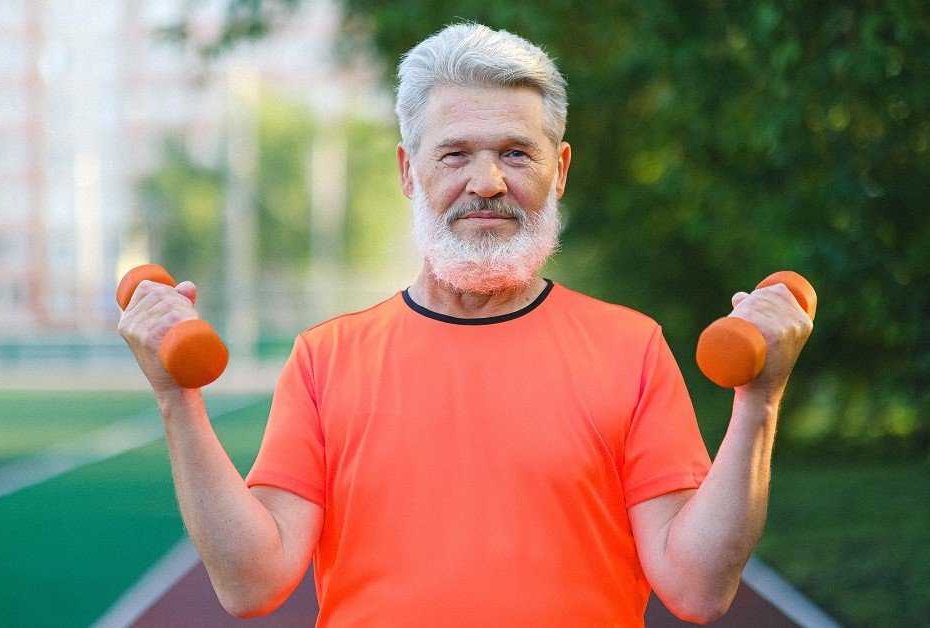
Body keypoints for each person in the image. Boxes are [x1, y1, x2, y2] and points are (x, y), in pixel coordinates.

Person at [118, 23, 813, 626]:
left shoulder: (631, 349)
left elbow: (697, 589)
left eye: (517, 152)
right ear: (408, 170)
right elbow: (251, 584)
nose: (487, 181)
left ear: (559, 170)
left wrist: (761, 401)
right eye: (455, 154)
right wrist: (177, 402)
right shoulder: (325, 359)